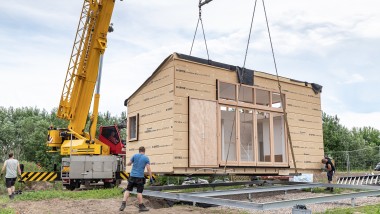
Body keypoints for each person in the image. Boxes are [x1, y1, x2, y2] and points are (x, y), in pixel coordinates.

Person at [119, 146, 153, 212]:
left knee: (128, 190)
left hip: (132, 176)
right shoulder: (146, 158)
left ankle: (123, 204)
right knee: (139, 192)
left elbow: (129, 163)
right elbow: (148, 168)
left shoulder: (134, 156)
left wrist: (128, 164)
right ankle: (141, 206)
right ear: (144, 151)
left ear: (139, 150)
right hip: (139, 177)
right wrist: (151, 177)